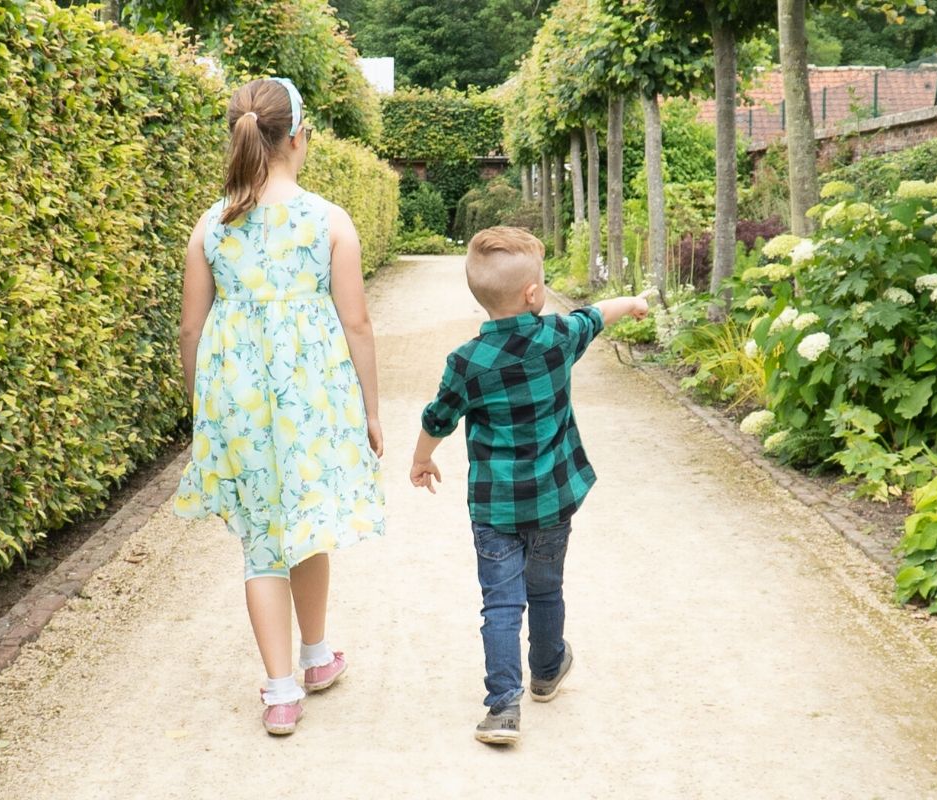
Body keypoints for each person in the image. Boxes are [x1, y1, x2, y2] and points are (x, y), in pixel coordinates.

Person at [171, 77, 386, 737]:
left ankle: (284, 688)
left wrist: (200, 408)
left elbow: (190, 329)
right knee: (309, 520)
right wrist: (372, 412)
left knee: (263, 540)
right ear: (299, 136)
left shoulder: (211, 225)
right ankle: (316, 656)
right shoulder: (329, 220)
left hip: (236, 398)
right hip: (312, 394)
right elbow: (357, 324)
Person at [409, 226, 648, 746]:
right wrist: (630, 302)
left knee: (500, 603)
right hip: (552, 500)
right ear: (533, 294)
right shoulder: (557, 339)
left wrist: (421, 459)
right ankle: (545, 672)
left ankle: (502, 709)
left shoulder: (466, 363)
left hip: (495, 507)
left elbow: (439, 417)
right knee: (546, 589)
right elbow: (594, 316)